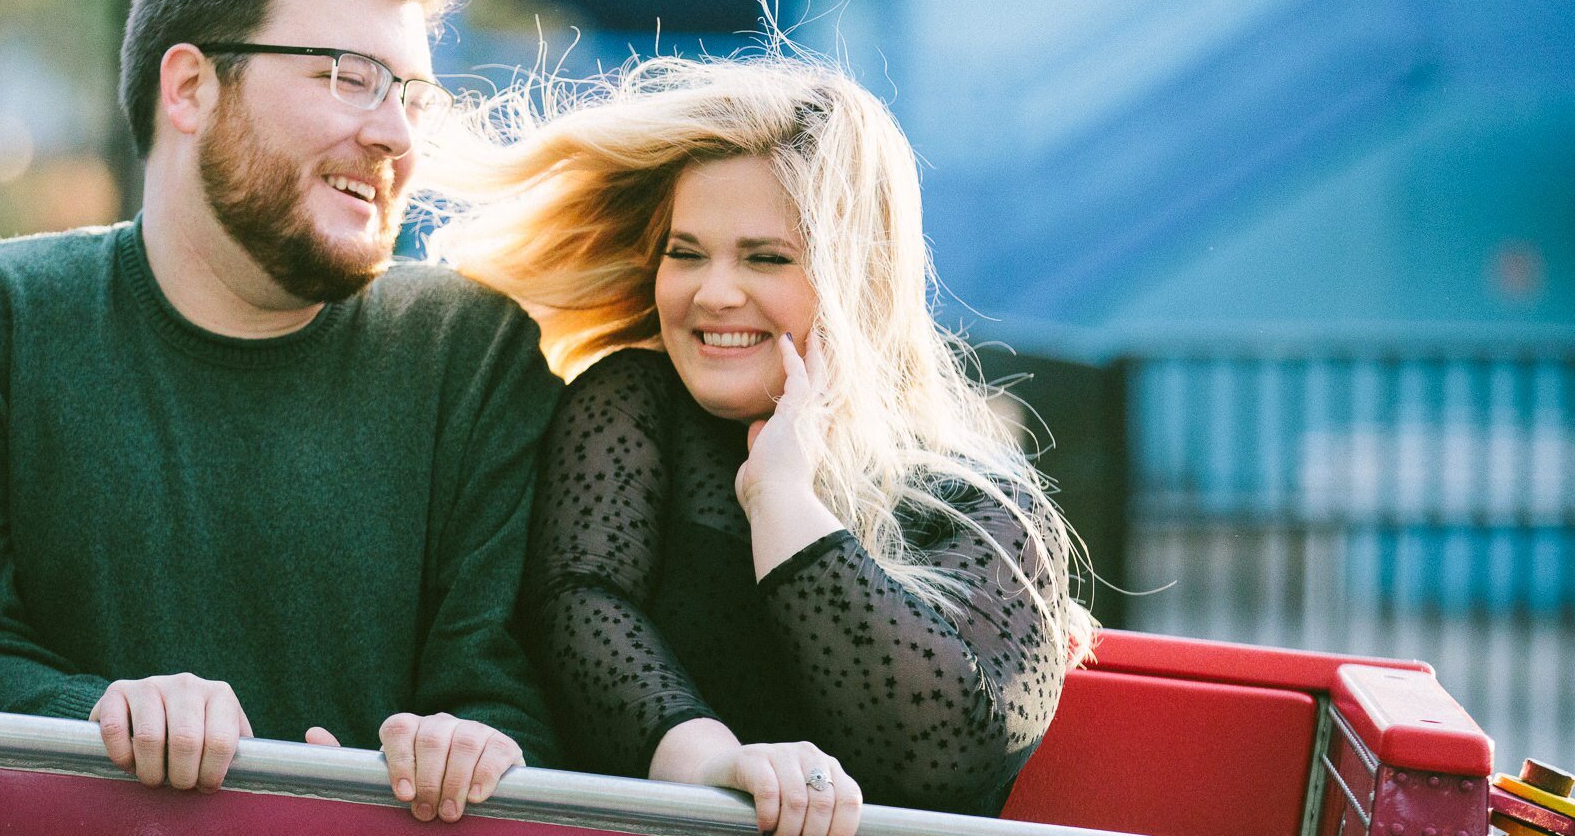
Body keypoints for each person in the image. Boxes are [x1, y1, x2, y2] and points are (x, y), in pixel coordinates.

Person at [0, 0, 561, 814]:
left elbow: (507, 681)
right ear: (191, 85)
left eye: (414, 98)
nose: (395, 133)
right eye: (350, 77)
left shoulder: (475, 352)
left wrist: (468, 745)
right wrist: (108, 711)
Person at [424, 53, 1092, 831]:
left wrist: (781, 499)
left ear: (860, 278)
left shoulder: (981, 503)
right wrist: (712, 766)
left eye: (765, 257)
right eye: (687, 252)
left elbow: (940, 756)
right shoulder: (631, 405)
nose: (712, 292)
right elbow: (577, 602)